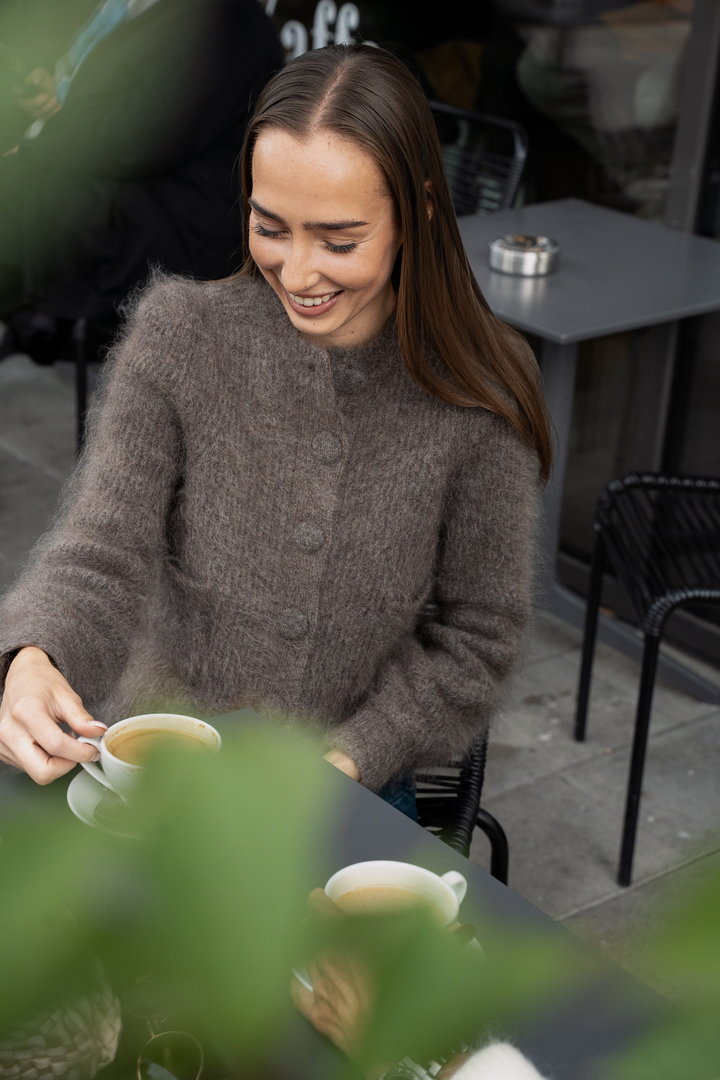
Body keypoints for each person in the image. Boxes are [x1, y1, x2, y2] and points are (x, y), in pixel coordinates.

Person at [0, 44, 552, 815]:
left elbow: (478, 640)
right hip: (156, 764)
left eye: (338, 240)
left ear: (419, 213)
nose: (296, 274)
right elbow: (100, 552)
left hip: (344, 786)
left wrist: (352, 756)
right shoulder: (181, 335)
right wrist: (32, 654)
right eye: (270, 227)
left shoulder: (479, 396)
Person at [0, 0, 283, 334]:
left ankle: (46, 316)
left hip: (184, 220)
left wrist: (42, 148)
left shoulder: (221, 20)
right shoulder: (148, 11)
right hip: (147, 191)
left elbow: (145, 139)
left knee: (29, 188)